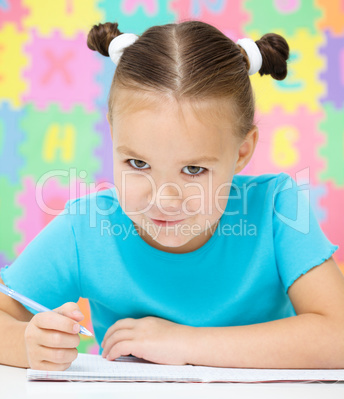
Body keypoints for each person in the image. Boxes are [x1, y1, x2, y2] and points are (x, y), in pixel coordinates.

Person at [0, 20, 343, 371]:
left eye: (194, 170)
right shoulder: (85, 229)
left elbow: (338, 336)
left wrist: (184, 343)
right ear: (113, 133)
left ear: (242, 152)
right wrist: (27, 345)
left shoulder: (275, 209)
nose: (164, 200)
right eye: (138, 163)